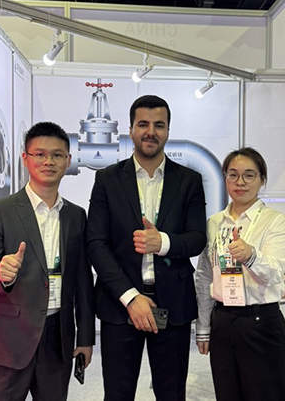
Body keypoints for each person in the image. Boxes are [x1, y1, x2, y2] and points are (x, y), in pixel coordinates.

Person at [86, 95, 207, 401]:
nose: (150, 132)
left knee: (171, 394)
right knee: (117, 395)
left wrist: (162, 242)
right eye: (143, 124)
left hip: (174, 305)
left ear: (168, 130)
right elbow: (96, 243)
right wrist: (130, 297)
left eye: (158, 125)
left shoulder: (190, 180)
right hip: (120, 304)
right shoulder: (107, 179)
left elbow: (197, 238)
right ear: (130, 129)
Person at [0, 122, 95, 401]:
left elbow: (83, 281)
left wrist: (85, 337)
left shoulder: (76, 216)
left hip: (57, 340)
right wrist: (1, 274)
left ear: (68, 161)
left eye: (57, 155)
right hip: (6, 342)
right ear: (25, 158)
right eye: (40, 154)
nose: (48, 161)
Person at [195, 147, 285, 401]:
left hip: (260, 322)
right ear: (225, 178)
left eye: (249, 175)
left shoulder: (274, 221)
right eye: (233, 174)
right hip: (222, 321)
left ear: (262, 179)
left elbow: (274, 273)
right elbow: (204, 276)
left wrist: (251, 256)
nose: (240, 182)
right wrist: (203, 326)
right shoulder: (214, 223)